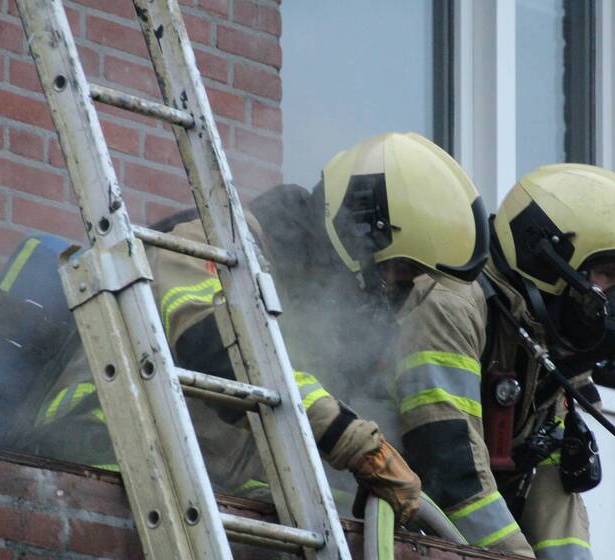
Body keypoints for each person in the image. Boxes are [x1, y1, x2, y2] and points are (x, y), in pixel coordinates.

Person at [32, 132, 490, 528]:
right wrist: (350, 440)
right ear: (360, 228)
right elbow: (219, 354)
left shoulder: (315, 311)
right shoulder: (218, 243)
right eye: (399, 272)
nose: (394, 294)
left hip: (178, 489)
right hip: (89, 464)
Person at [393, 163, 615, 560]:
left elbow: (555, 505)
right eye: (609, 275)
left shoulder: (545, 350)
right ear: (548, 261)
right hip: (367, 536)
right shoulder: (454, 307)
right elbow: (449, 467)